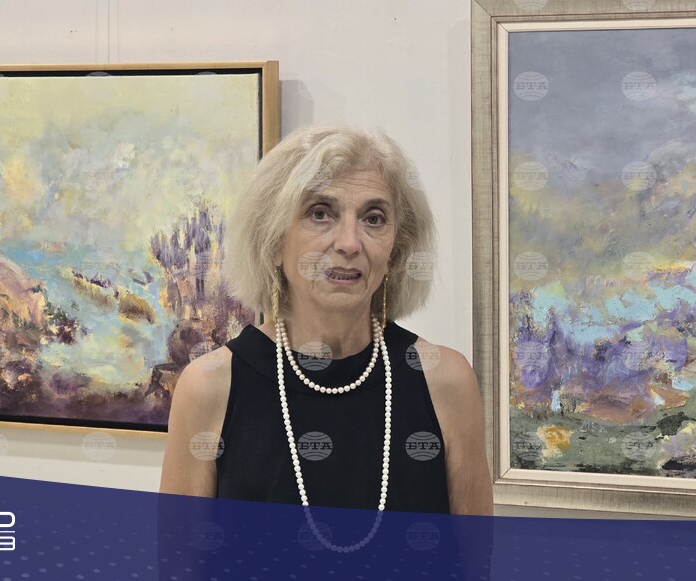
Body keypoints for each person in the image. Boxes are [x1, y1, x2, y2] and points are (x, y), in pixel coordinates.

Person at [159, 126, 493, 519]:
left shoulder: (446, 382)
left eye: (373, 218)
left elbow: (474, 555)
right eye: (320, 213)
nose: (349, 243)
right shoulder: (209, 387)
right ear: (274, 242)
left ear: (395, 249)